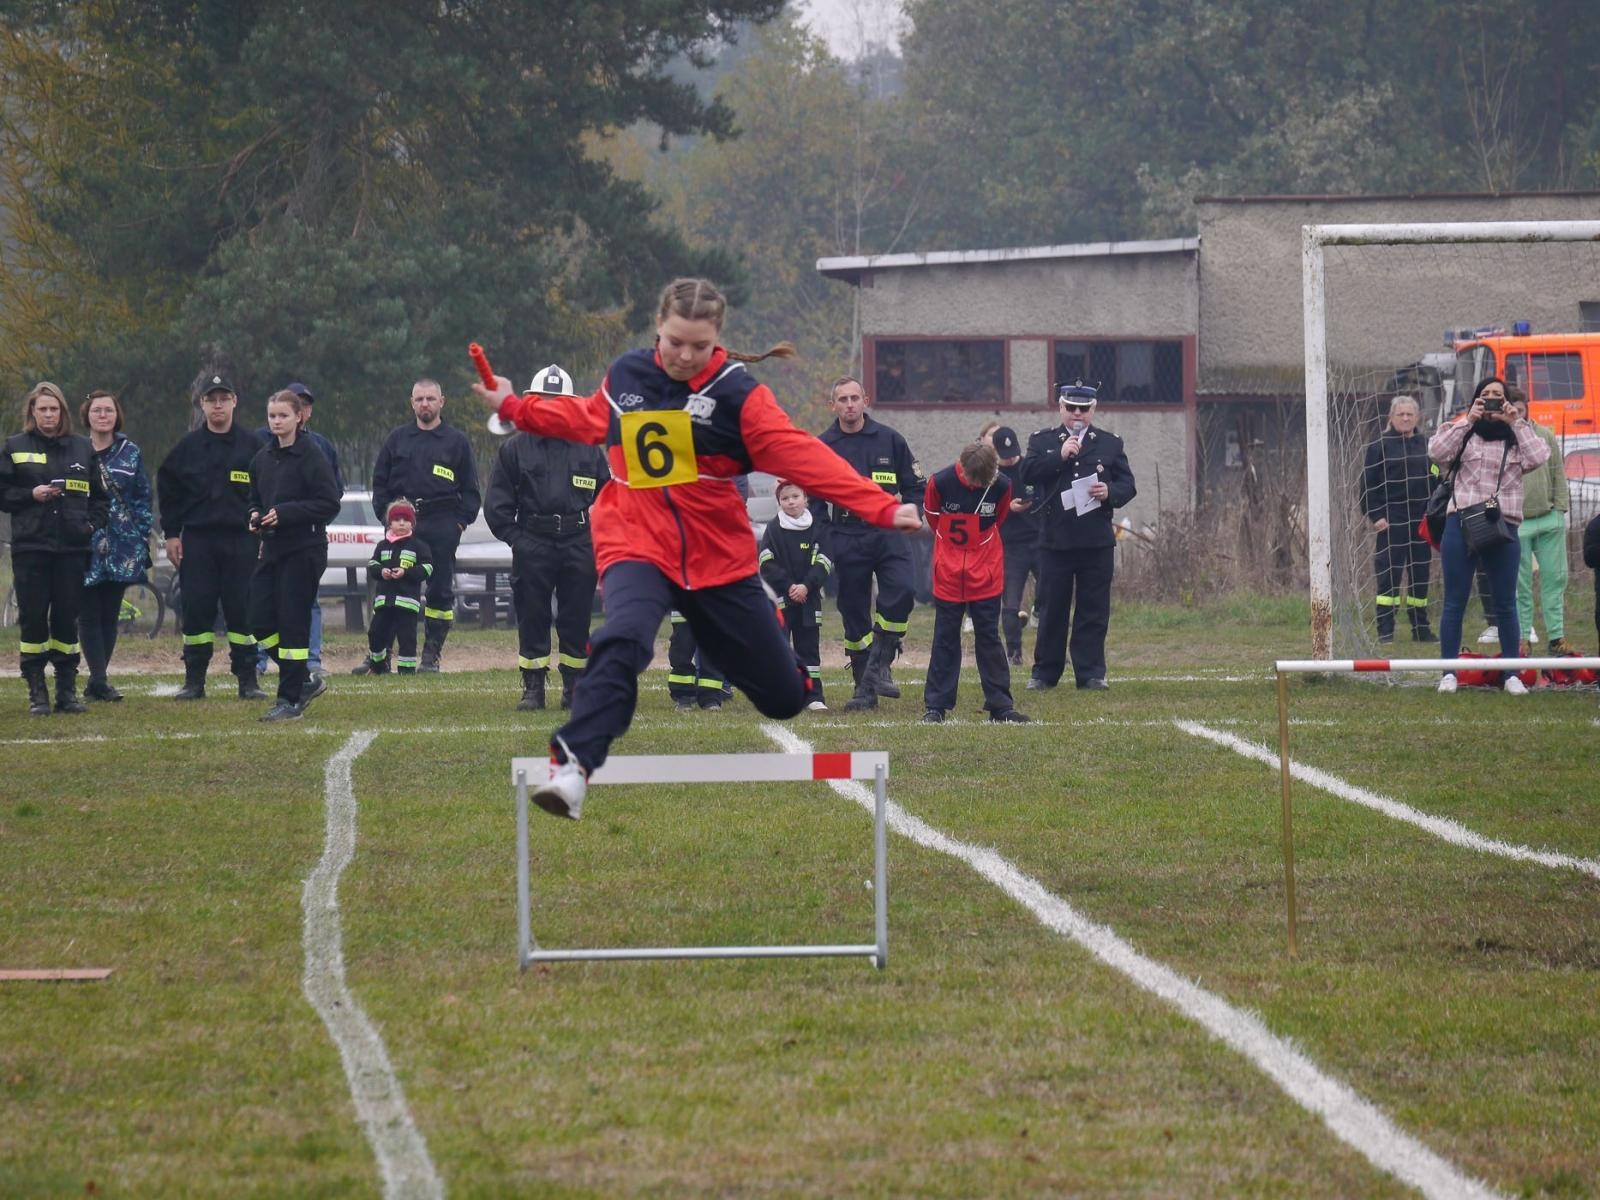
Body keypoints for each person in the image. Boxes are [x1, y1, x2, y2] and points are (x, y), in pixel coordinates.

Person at [473, 277, 921, 819]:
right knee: (623, 639)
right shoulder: (628, 377)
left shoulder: (738, 396)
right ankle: (571, 764)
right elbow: (589, 419)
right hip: (635, 540)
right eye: (674, 342)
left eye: (699, 346)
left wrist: (879, 505)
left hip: (716, 556)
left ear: (718, 341)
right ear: (657, 329)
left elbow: (801, 455)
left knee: (783, 699)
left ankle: (768, 643)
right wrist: (516, 407)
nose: (684, 356)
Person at [484, 364, 608, 710]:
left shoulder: (588, 448)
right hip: (533, 542)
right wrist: (518, 540)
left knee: (576, 617)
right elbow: (497, 505)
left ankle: (574, 688)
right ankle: (533, 689)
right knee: (532, 615)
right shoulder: (514, 448)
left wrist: (597, 536)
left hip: (578, 542)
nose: (552, 406)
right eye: (545, 399)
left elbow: (609, 497)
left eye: (559, 400)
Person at [1429, 377, 1550, 694]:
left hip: (1503, 525)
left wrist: (1517, 422)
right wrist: (1466, 419)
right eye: (1485, 395)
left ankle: (1511, 673)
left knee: (1505, 603)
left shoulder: (1517, 437)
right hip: (1461, 523)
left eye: (1499, 396)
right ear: (1475, 401)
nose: (1492, 400)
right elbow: (1436, 451)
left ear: (1508, 401)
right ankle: (1449, 673)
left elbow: (1539, 457)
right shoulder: (1463, 431)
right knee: (1454, 601)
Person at [817, 375, 925, 712]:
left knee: (903, 592)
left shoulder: (890, 439)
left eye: (854, 398)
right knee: (853, 613)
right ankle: (864, 688)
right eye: (842, 400)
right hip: (846, 537)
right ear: (832, 405)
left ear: (866, 400)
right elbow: (814, 499)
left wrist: (912, 513)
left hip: (888, 531)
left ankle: (880, 666)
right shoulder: (823, 446)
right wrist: (827, 538)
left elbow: (915, 486)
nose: (849, 405)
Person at [1019, 381, 1137, 691]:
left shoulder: (1110, 444)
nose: (1077, 414)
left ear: (1093, 410)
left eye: (1083, 409)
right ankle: (1045, 672)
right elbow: (1027, 472)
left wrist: (1109, 491)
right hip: (1055, 541)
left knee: (1093, 610)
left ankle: (1091, 673)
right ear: (1060, 408)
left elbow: (1128, 486)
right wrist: (1059, 455)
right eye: (1071, 408)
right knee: (1052, 609)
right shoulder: (1042, 441)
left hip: (1095, 541)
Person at [0, 381, 108, 715]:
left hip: (72, 550)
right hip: (32, 547)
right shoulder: (14, 446)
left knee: (66, 620)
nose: (49, 415)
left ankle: (66, 692)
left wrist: (89, 526)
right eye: (42, 409)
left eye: (54, 409)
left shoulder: (81, 447)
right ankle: (37, 692)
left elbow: (101, 499)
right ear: (32, 412)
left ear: (62, 412)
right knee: (33, 621)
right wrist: (29, 495)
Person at [156, 374, 266, 701]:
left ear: (235, 401)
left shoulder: (253, 447)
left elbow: (269, 489)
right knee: (198, 610)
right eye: (211, 399)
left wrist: (264, 532)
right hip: (198, 542)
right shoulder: (187, 448)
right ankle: (194, 681)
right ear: (202, 404)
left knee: (241, 610)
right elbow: (168, 489)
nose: (217, 404)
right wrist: (172, 534)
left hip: (241, 540)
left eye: (224, 398)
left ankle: (248, 680)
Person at [369, 377, 481, 672]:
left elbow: (470, 491)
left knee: (439, 590)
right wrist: (387, 519)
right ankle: (380, 654)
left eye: (431, 398)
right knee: (393, 589)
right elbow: (380, 483)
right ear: (412, 403)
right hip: (402, 525)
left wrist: (459, 523)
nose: (425, 404)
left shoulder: (456, 441)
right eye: (419, 399)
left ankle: (431, 654)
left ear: (442, 402)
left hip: (442, 523)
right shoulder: (397, 439)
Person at [921, 442, 1031, 724]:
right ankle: (936, 705)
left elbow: (999, 518)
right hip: (948, 572)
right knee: (945, 637)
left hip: (986, 573)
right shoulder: (940, 482)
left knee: (989, 637)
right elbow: (933, 518)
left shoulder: (1002, 486)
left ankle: (1000, 705)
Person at [247, 389, 340, 720]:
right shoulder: (262, 458)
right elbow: (254, 497)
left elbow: (329, 503)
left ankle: (289, 701)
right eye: (272, 415)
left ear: (299, 417)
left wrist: (286, 513)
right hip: (272, 549)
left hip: (305, 550)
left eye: (283, 415)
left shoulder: (312, 455)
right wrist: (256, 515)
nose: (276, 421)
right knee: (257, 617)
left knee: (293, 623)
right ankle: (302, 679)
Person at [79, 390, 154, 701]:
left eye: (108, 410)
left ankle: (99, 680)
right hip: (85, 541)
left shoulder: (130, 451)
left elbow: (142, 496)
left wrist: (140, 532)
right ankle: (98, 679)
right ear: (87, 415)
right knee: (88, 611)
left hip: (122, 545)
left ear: (116, 415)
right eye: (97, 410)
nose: (103, 415)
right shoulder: (75, 450)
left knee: (109, 613)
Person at [1360, 395, 1436, 643]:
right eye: (1400, 414)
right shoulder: (1378, 446)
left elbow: (1436, 480)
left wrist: (1436, 514)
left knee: (1420, 574)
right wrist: (1376, 515)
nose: (1405, 418)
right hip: (1391, 519)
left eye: (1409, 414)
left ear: (1417, 418)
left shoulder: (1426, 445)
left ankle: (1420, 629)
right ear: (1391, 417)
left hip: (1421, 519)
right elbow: (1367, 485)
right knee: (1388, 576)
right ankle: (1385, 630)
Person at [759, 479, 833, 711]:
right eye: (785, 498)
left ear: (806, 498)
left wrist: (806, 587)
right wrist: (790, 586)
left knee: (809, 649)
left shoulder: (818, 527)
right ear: (779, 502)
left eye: (795, 496)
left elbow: (825, 561)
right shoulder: (773, 528)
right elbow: (766, 562)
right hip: (781, 600)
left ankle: (813, 697)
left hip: (808, 601)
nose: (791, 502)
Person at [1514, 414, 1571, 654]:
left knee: (1555, 579)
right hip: (1516, 521)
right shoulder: (1501, 438)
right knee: (1519, 584)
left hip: (1549, 518)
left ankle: (1556, 638)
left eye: (1518, 408)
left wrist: (1560, 509)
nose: (1514, 413)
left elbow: (1558, 470)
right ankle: (1522, 639)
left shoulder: (1545, 434)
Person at [986, 424, 1040, 664]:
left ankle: (1053, 649)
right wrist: (1008, 508)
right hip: (1010, 546)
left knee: (1053, 595)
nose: (1010, 460)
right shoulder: (991, 475)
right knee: (1010, 601)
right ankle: (1014, 652)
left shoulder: (1031, 467)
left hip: (1039, 541)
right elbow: (985, 511)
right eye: (1004, 457)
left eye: (1013, 455)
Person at [362, 500, 432, 674]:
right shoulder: (382, 545)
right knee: (375, 634)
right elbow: (372, 565)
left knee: (407, 638)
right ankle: (378, 666)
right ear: (389, 523)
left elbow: (427, 567)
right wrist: (382, 571)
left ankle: (406, 671)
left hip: (407, 603)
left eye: (406, 520)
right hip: (384, 603)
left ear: (412, 523)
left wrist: (406, 572)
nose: (401, 523)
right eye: (397, 519)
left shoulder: (418, 546)